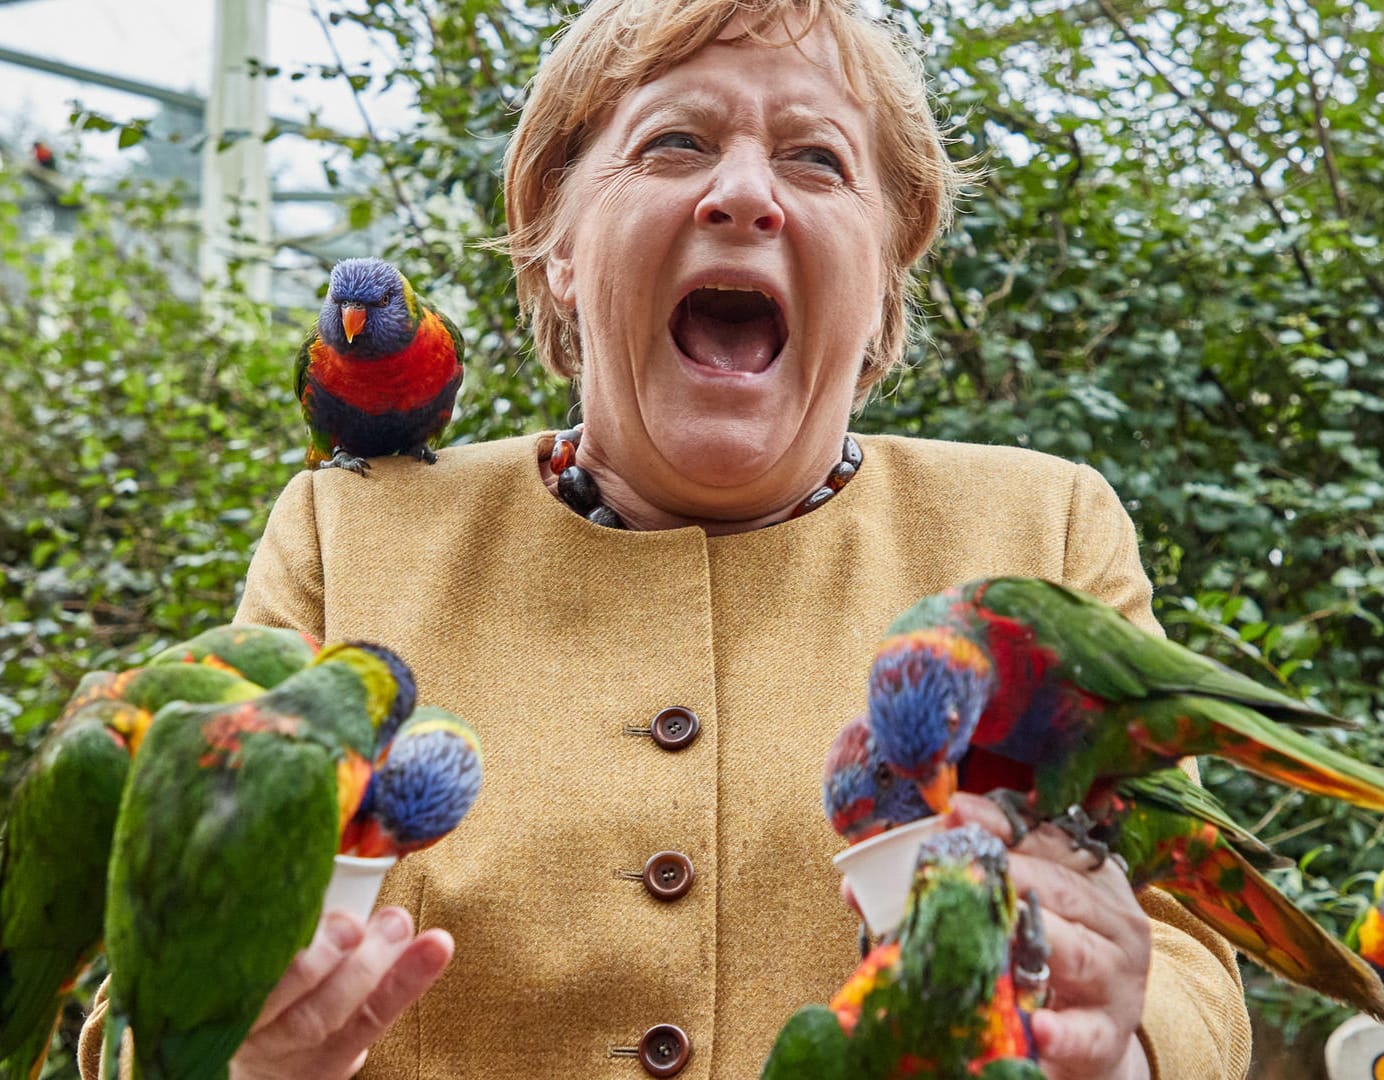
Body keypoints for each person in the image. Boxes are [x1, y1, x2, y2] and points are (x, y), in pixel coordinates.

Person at [81, 0, 1251, 1076]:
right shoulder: (352, 533)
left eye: (816, 158)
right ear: (560, 247)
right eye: (674, 145)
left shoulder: (1039, 532)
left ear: (888, 275)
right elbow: (144, 979)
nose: (743, 195)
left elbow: (1194, 958)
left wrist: (1120, 1047)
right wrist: (232, 1053)